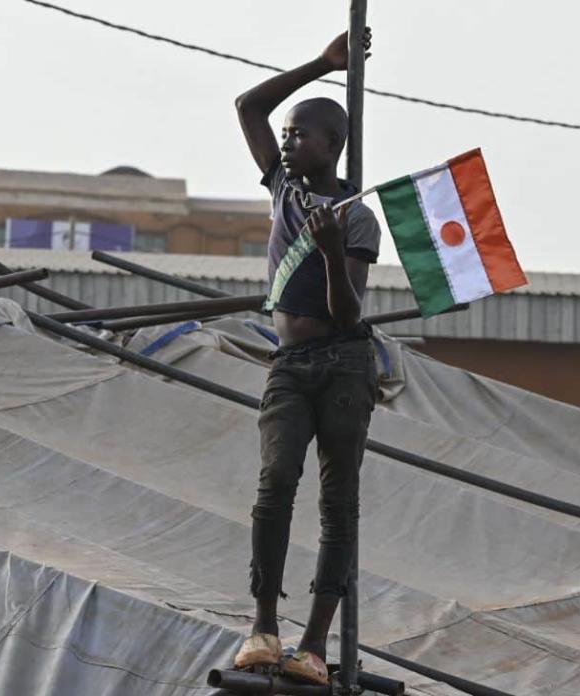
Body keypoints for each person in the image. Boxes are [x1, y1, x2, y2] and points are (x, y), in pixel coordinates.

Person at [231, 27, 378, 686]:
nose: (288, 143)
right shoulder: (281, 191)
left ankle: (314, 645)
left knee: (336, 503)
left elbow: (347, 314)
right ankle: (263, 625)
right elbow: (247, 108)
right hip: (289, 365)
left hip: (343, 363)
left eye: (301, 136)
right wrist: (322, 64)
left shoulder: (354, 217)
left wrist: (325, 254)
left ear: (333, 146)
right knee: (274, 483)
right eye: (287, 135)